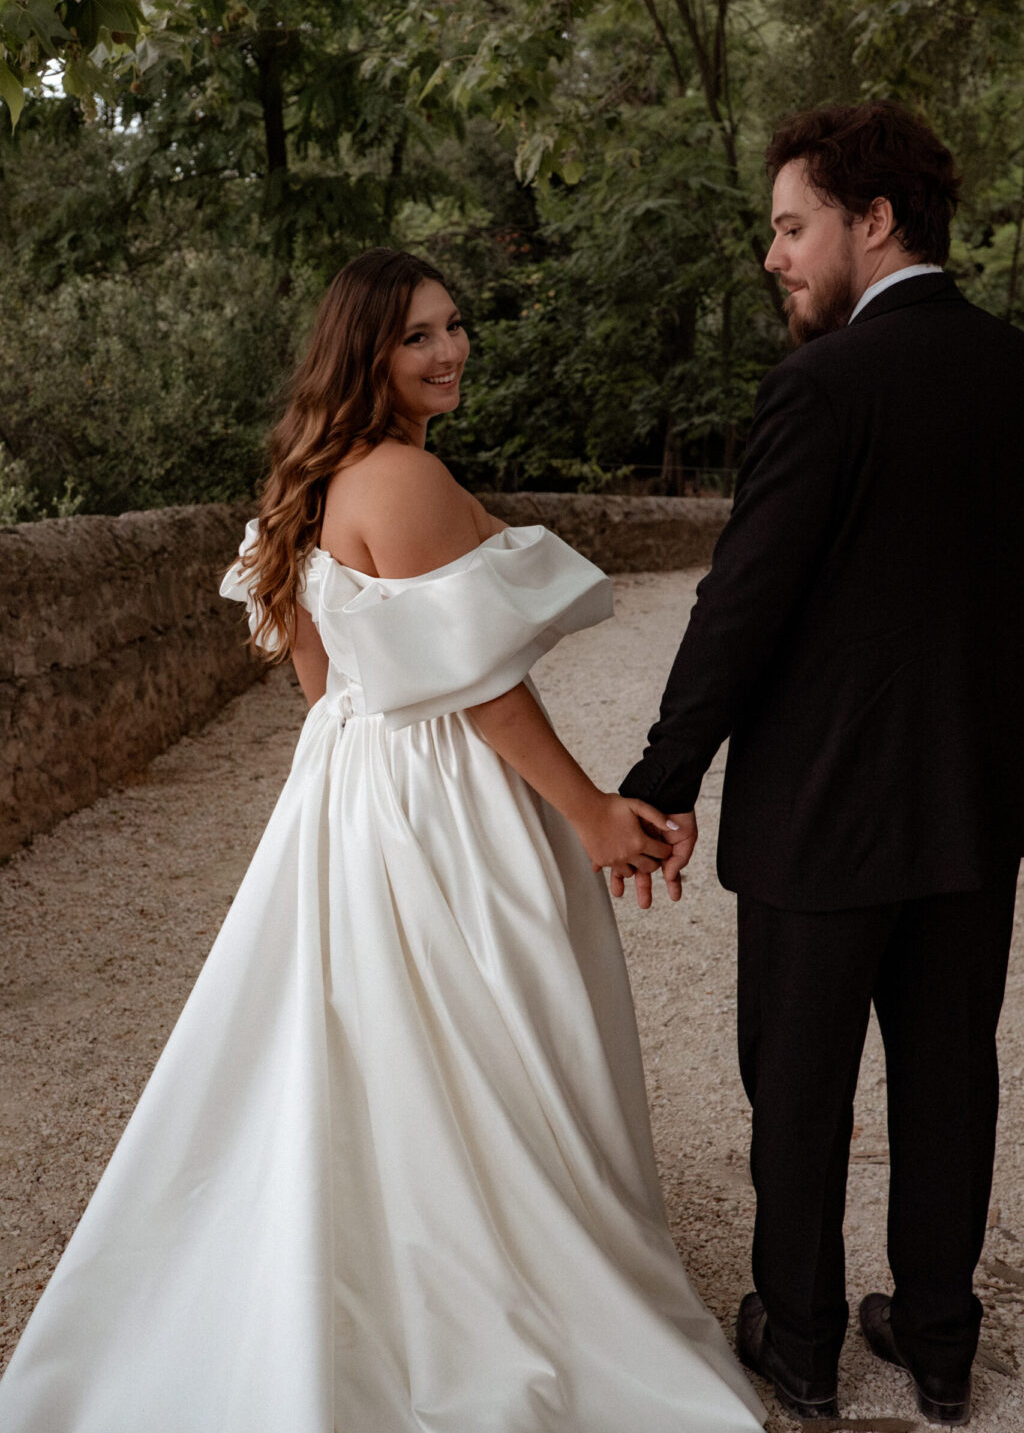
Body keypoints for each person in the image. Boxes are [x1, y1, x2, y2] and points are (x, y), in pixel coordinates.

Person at [0, 248, 765, 1433]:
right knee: (494, 1024)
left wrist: (368, 770)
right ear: (366, 350)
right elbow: (478, 688)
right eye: (418, 334)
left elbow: (322, 685)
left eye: (454, 325)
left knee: (374, 1029)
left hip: (353, 782)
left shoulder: (313, 481)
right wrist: (588, 813)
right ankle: (480, 1277)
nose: (449, 349)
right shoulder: (401, 480)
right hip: (434, 789)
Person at [620, 100, 1024, 1426]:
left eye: (793, 228)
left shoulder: (818, 388)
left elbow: (743, 609)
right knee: (951, 1073)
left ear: (875, 222)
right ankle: (940, 1335)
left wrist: (662, 780)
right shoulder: (1017, 373)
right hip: (976, 814)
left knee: (797, 1084)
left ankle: (798, 1340)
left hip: (820, 821)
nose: (775, 256)